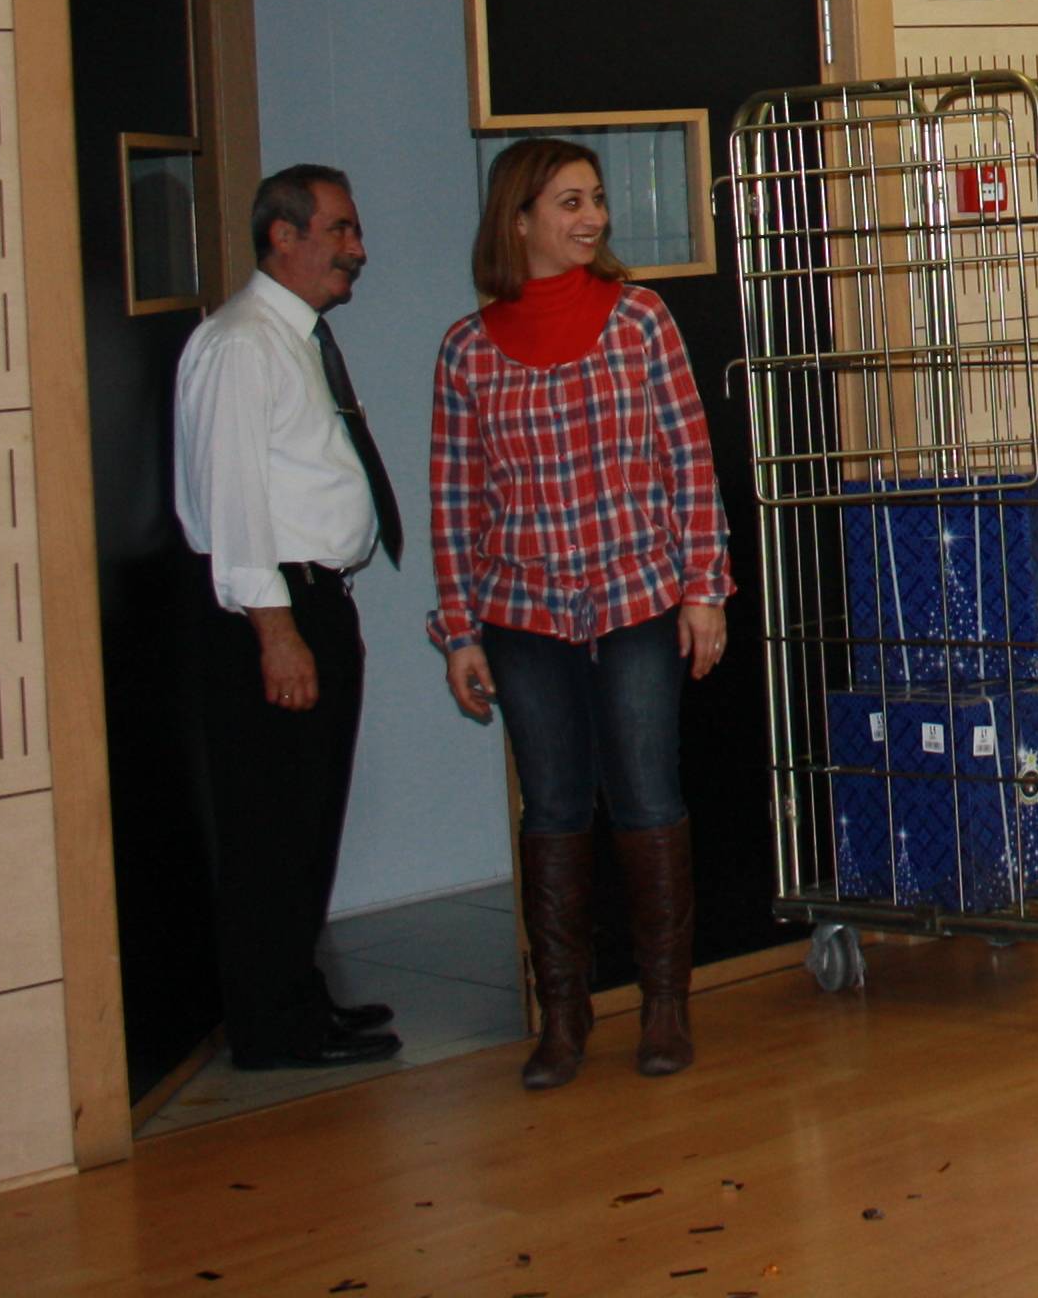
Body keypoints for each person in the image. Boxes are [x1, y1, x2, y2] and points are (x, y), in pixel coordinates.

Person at [428, 139, 730, 1091]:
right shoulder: (467, 349)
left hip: (637, 598)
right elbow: (455, 500)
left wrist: (704, 587)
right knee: (554, 806)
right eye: (569, 202)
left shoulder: (641, 319)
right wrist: (459, 631)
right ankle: (563, 1016)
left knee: (647, 796)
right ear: (518, 219)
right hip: (522, 613)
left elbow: (689, 459)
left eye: (595, 199)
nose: (592, 216)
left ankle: (664, 1008)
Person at [174, 167, 406, 1073]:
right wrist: (278, 634)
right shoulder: (241, 344)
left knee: (307, 821)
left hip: (314, 603)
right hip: (272, 612)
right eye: (340, 230)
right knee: (271, 829)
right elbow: (230, 506)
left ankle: (298, 998)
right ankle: (270, 1026)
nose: (357, 250)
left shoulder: (294, 339)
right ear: (283, 235)